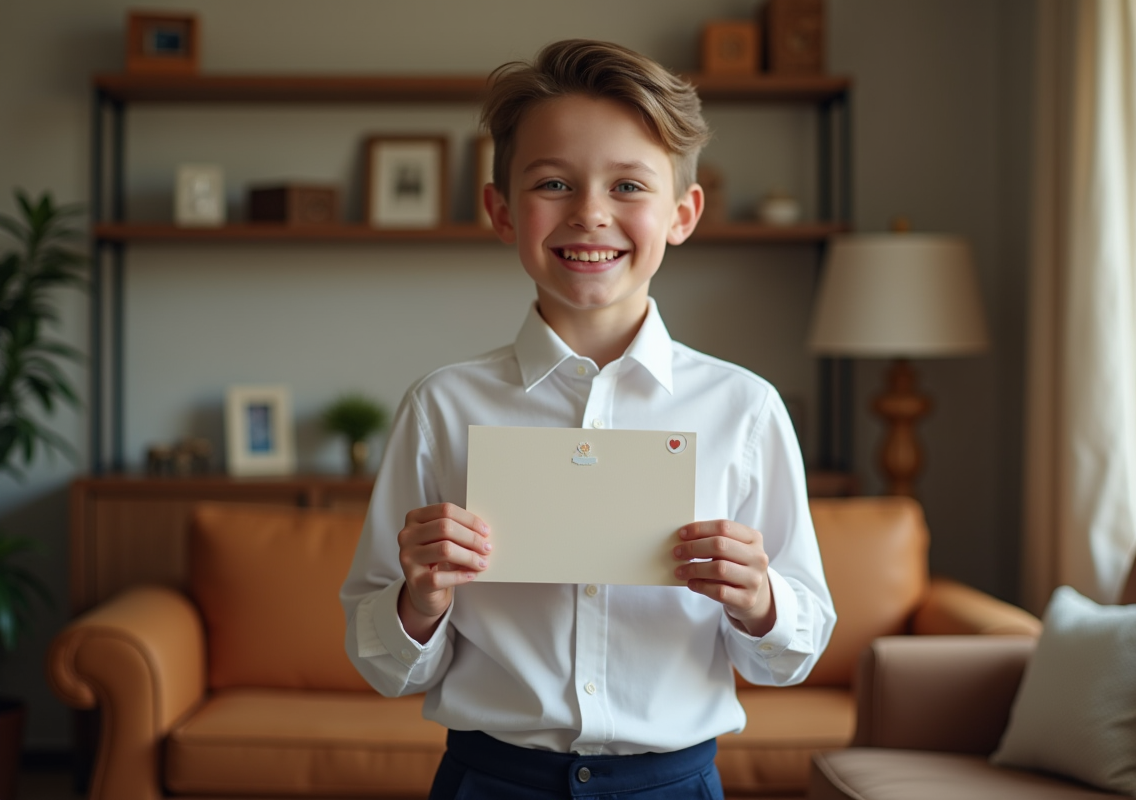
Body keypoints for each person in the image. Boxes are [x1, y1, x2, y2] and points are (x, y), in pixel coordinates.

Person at [340, 38, 836, 800]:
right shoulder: (442, 406)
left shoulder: (745, 409)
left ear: (682, 213)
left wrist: (761, 600)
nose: (591, 214)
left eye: (629, 186)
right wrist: (420, 600)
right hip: (490, 779)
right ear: (502, 211)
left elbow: (790, 658)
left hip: (675, 782)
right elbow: (381, 663)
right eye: (554, 183)